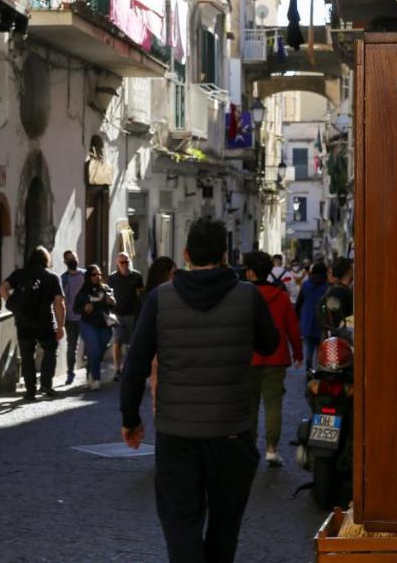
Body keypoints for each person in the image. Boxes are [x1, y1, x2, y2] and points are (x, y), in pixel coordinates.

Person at [120, 218, 280, 563]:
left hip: (177, 434)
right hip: (232, 432)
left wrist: (130, 418)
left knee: (181, 524)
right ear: (225, 256)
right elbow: (269, 344)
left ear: (186, 254)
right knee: (225, 526)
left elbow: (134, 366)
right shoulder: (247, 296)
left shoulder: (161, 299)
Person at [244, 250, 302, 467]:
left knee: (249, 405)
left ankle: (249, 446)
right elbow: (293, 329)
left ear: (250, 273)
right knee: (273, 405)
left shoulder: (244, 296)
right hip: (276, 356)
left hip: (249, 357)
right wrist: (298, 353)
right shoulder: (282, 297)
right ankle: (271, 449)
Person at [0, 247, 65, 400]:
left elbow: (2, 288)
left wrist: (12, 304)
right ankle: (46, 384)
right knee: (50, 350)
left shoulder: (19, 274)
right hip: (45, 322)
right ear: (46, 260)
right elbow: (58, 303)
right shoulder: (52, 278)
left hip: (23, 321)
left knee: (27, 356)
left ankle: (30, 391)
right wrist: (61, 325)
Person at [72, 264, 116, 390]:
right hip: (88, 325)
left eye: (99, 274)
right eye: (94, 275)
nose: (97, 277)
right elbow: (75, 309)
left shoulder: (106, 289)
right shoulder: (83, 292)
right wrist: (84, 308)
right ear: (88, 277)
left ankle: (91, 368)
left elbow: (114, 304)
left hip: (104, 325)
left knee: (99, 352)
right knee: (95, 349)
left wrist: (111, 301)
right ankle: (95, 378)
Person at [143, 256, 177, 413]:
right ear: (165, 274)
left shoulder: (151, 295)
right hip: (158, 351)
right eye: (173, 273)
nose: (176, 277)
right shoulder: (154, 297)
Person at [107, 252, 144, 381]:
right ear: (117, 263)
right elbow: (108, 296)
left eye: (126, 262)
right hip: (117, 315)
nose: (124, 265)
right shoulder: (112, 278)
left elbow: (141, 295)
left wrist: (141, 312)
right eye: (122, 262)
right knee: (117, 342)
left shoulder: (137, 276)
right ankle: (118, 369)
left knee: (130, 344)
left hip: (132, 314)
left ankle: (129, 368)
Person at [295, 261, 329, 373]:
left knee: (309, 347)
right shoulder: (327, 286)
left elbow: (299, 302)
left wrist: (296, 316)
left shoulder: (306, 285)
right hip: (323, 320)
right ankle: (319, 369)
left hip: (308, 320)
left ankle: (308, 368)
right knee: (321, 347)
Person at [60, 250, 87, 387]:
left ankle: (90, 372)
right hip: (70, 319)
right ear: (65, 262)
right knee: (72, 346)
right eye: (70, 259)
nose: (73, 261)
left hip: (87, 317)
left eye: (74, 258)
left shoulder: (86, 274)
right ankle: (70, 372)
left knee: (90, 344)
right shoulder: (63, 278)